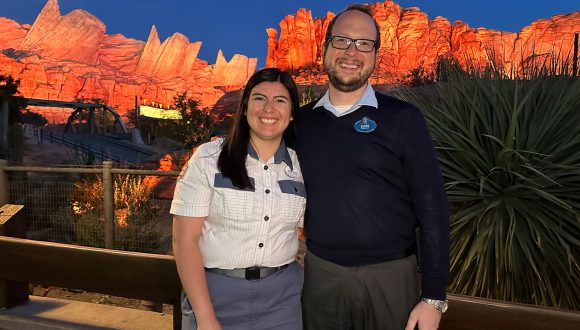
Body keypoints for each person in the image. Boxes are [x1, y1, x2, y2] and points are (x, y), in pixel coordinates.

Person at [295, 4, 450, 330]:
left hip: (391, 277)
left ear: (376, 54)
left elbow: (433, 209)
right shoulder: (302, 123)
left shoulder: (403, 119)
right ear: (324, 48)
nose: (352, 52)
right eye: (342, 41)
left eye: (364, 43)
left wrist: (434, 297)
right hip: (322, 276)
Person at [171, 68, 305, 330]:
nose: (268, 109)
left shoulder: (301, 166)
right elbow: (184, 240)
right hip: (214, 295)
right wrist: (206, 317)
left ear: (291, 114)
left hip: (282, 300)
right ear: (244, 108)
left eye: (280, 100)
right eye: (259, 98)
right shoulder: (209, 158)